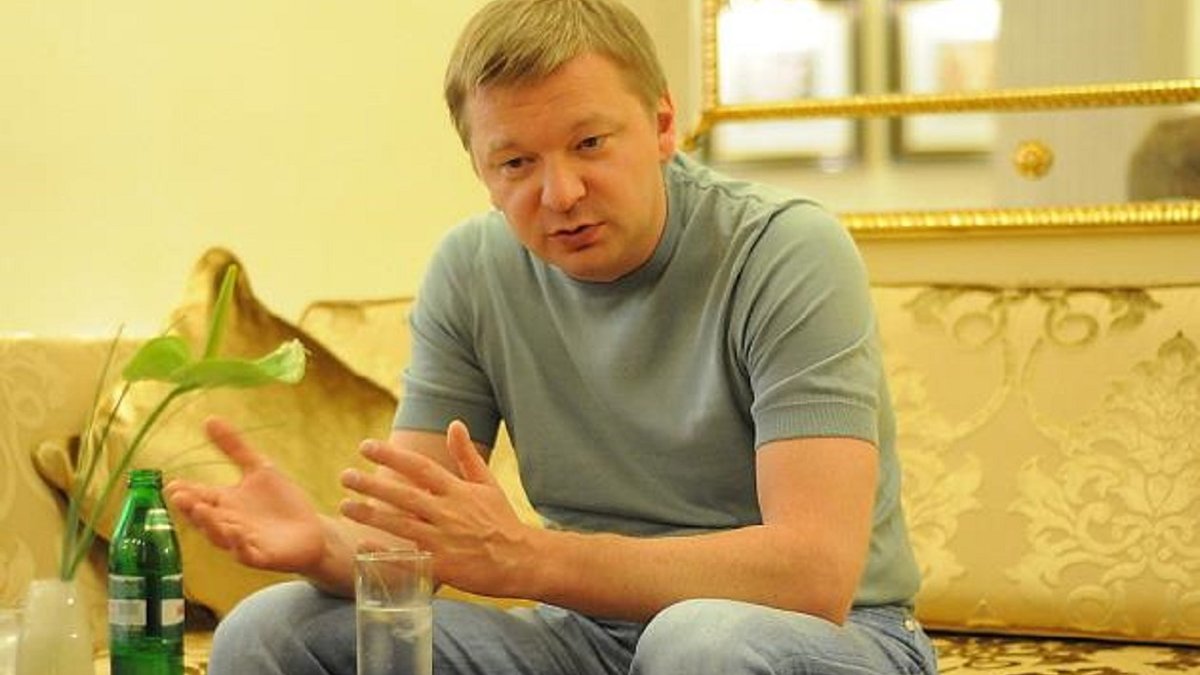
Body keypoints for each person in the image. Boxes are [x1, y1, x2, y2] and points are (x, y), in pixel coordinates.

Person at [165, 0, 938, 673]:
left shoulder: (785, 251)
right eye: (516, 162)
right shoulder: (471, 270)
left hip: (828, 635)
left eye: (590, 143)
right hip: (583, 637)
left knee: (699, 643)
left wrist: (529, 558)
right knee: (273, 628)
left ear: (663, 124)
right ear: (480, 170)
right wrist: (321, 544)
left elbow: (812, 573)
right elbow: (408, 549)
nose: (560, 193)